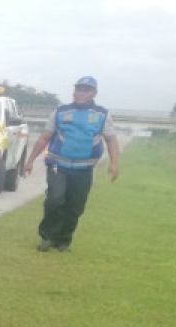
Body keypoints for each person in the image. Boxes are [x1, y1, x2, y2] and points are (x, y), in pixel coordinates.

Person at [22, 76, 120, 252]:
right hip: (57, 165)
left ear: (94, 93)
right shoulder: (60, 111)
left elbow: (111, 140)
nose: (81, 93)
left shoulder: (102, 115)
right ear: (74, 91)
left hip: (84, 168)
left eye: (86, 90)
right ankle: (47, 236)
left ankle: (63, 240)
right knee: (55, 198)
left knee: (75, 206)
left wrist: (114, 164)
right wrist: (30, 161)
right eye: (79, 89)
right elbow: (44, 137)